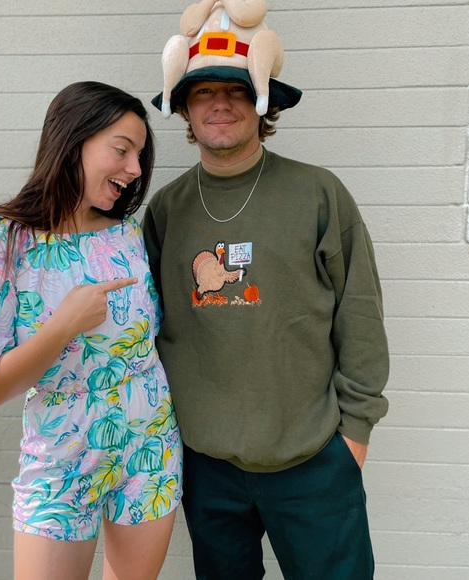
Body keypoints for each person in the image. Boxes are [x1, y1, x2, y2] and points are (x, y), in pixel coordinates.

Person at [142, 1, 389, 578]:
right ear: (184, 106)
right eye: (203, 91)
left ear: (263, 100)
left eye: (235, 89)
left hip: (313, 459)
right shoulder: (166, 211)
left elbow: (360, 315)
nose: (220, 103)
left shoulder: (318, 195)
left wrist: (353, 435)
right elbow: (146, 329)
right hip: (206, 465)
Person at [0, 81, 183, 580]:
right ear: (73, 140)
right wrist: (64, 324)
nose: (135, 170)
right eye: (122, 150)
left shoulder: (128, 234)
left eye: (139, 156)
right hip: (60, 456)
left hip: (150, 444)